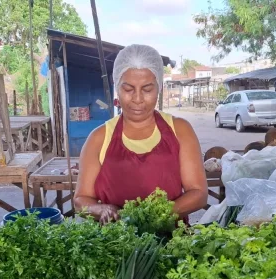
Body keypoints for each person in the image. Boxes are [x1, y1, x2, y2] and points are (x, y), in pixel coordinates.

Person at [74, 44, 208, 224]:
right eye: (128, 89)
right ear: (117, 88)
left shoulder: (180, 130)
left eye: (147, 89)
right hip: (114, 243)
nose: (137, 99)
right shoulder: (99, 138)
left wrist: (156, 216)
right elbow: (81, 199)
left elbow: (198, 193)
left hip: (172, 245)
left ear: (159, 88)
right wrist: (100, 209)